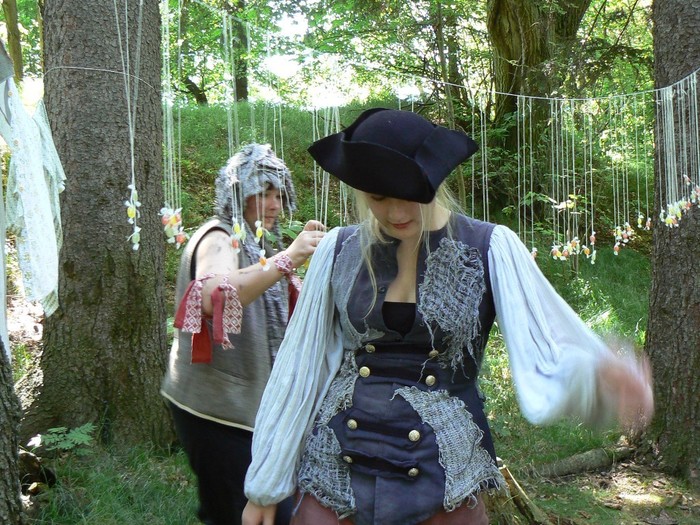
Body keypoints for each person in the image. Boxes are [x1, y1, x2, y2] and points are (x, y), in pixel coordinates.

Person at [241, 109, 654, 525]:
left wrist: (596, 374)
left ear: (434, 180)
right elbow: (299, 366)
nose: (395, 211)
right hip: (337, 472)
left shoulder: (490, 247)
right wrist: (264, 485)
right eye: (378, 198)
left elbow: (546, 343)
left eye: (408, 194)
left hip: (444, 480)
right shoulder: (338, 249)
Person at [161, 143, 326, 525]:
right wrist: (289, 258)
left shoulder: (256, 244)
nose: (274, 205)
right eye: (264, 193)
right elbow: (213, 294)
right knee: (241, 513)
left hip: (250, 411)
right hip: (216, 412)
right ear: (238, 192)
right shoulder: (218, 237)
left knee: (249, 509)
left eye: (279, 195)